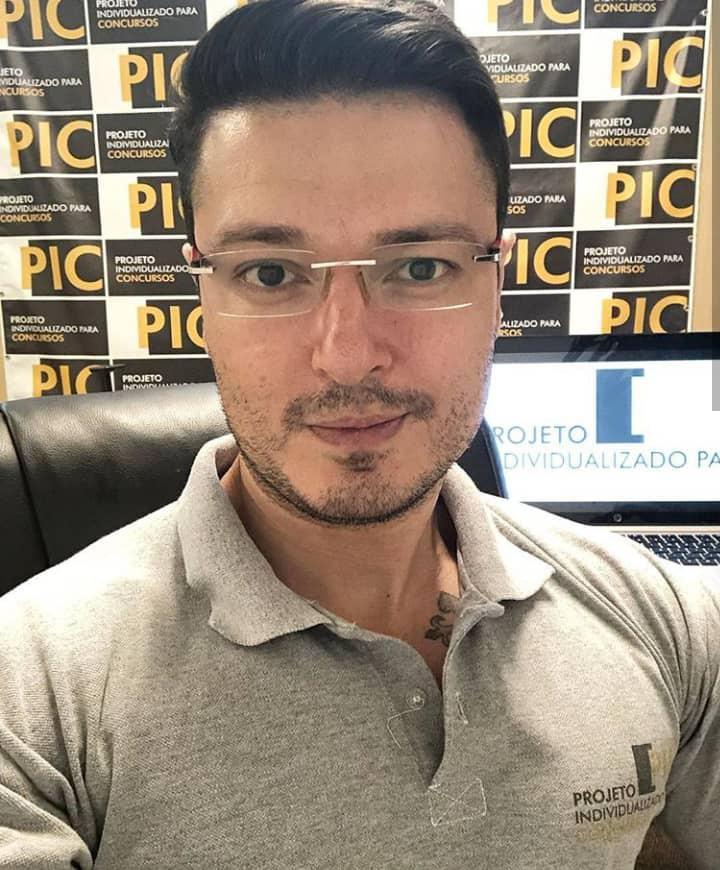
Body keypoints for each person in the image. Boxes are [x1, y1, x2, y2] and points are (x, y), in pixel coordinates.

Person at [0, 0, 717, 867]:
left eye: (419, 267)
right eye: (271, 272)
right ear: (203, 298)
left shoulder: (663, 613)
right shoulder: (28, 690)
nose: (346, 355)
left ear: (496, 285)